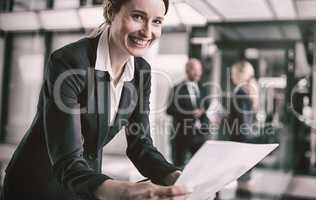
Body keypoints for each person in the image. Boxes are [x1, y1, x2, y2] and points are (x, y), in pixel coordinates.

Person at [0, 0, 190, 200]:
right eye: (138, 17)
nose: (147, 31)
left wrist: (173, 176)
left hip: (86, 184)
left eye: (157, 21)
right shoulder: (69, 62)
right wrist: (125, 190)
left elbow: (140, 145)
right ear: (111, 11)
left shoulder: (141, 71)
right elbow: (68, 160)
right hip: (37, 185)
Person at [166, 58, 209, 168]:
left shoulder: (203, 89)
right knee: (179, 166)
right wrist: (190, 113)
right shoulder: (176, 88)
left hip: (200, 135)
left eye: (199, 69)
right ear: (187, 70)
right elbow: (169, 110)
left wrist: (205, 112)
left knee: (199, 167)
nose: (198, 73)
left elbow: (206, 107)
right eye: (195, 69)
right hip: (182, 135)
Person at [225, 60, 259, 197]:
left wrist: (224, 118)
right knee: (246, 179)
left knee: (242, 180)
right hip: (247, 138)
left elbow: (241, 120)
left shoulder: (240, 91)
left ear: (240, 74)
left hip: (241, 140)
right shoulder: (249, 90)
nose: (231, 76)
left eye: (233, 73)